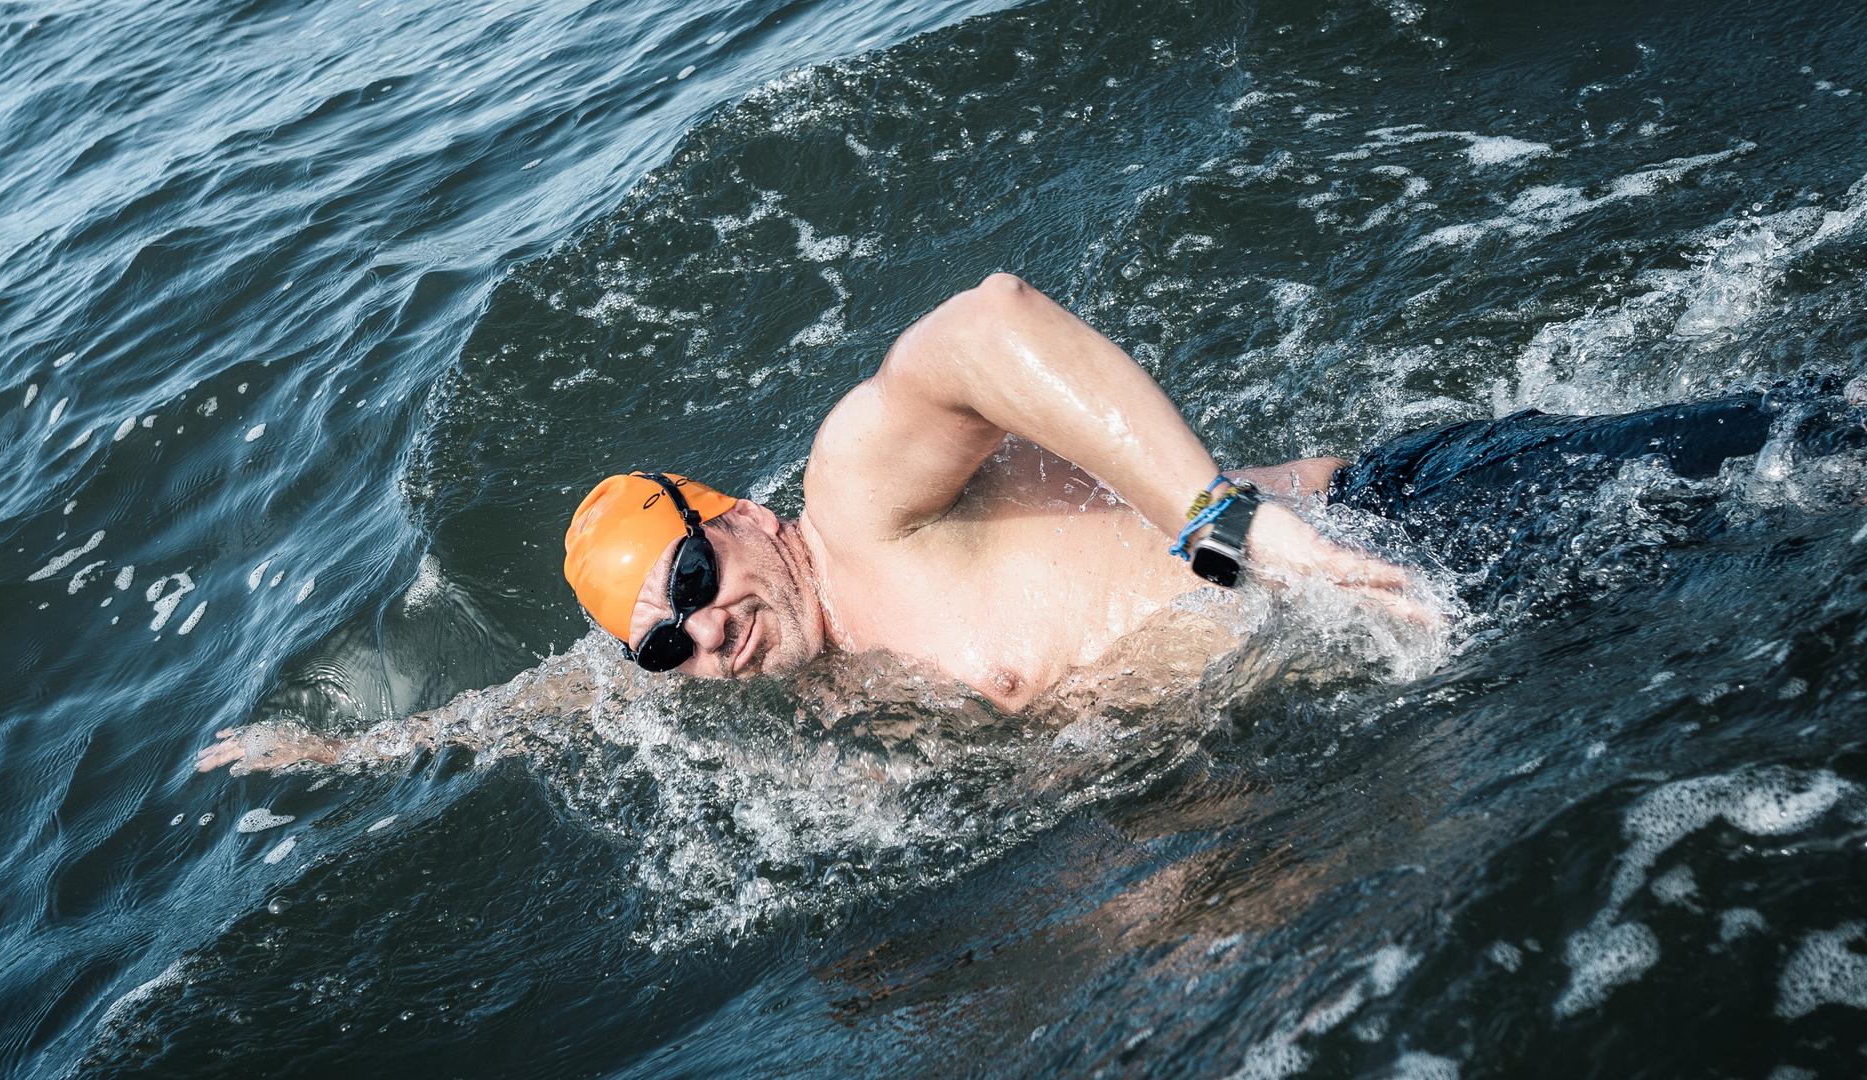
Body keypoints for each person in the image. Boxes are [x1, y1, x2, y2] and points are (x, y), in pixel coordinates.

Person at [197, 274, 1865, 775]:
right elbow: (561, 703)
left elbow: (984, 331)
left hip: (1415, 532)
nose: (703, 628)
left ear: (743, 519)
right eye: (666, 638)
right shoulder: (787, 674)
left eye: (694, 574)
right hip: (1399, 688)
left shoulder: (856, 501)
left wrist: (1229, 522)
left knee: (1819, 463)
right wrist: (348, 757)